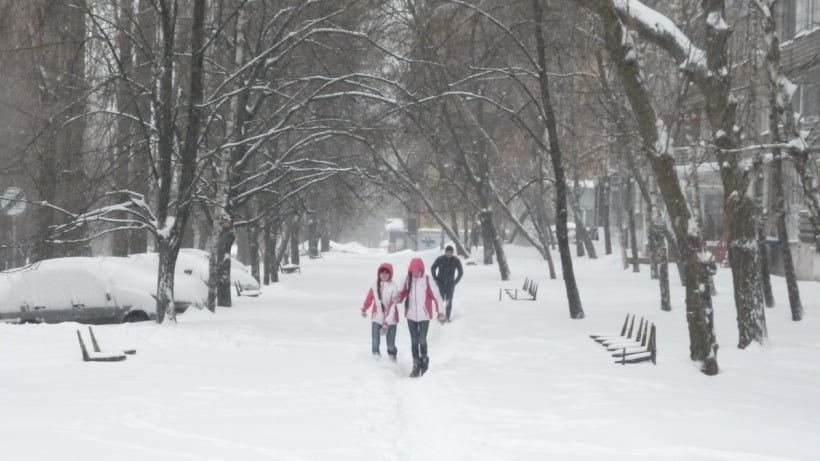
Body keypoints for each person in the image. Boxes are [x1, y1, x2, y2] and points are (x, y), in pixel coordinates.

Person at [398, 257, 444, 377]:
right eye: (413, 271)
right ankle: (415, 364)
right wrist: (397, 298)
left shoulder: (427, 280)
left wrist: (440, 312)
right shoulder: (408, 280)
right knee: (414, 340)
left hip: (424, 315)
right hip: (411, 315)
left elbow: (437, 296)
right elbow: (401, 293)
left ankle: (424, 361)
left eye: (417, 271)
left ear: (422, 270)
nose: (415, 274)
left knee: (422, 339)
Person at [360, 263, 401, 360]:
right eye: (382, 272)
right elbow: (369, 298)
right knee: (375, 341)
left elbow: (392, 307)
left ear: (390, 274)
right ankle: (376, 358)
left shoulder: (394, 286)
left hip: (391, 320)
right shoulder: (374, 285)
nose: (384, 274)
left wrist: (386, 324)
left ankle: (392, 355)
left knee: (390, 344)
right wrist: (364, 308)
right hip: (377, 317)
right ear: (379, 273)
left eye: (387, 272)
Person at [431, 245, 463, 322]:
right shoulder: (440, 259)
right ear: (445, 252)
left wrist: (455, 281)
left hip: (450, 284)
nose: (449, 254)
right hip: (440, 283)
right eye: (448, 252)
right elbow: (433, 268)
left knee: (449, 301)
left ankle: (447, 317)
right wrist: (435, 279)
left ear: (452, 253)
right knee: (440, 300)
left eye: (451, 253)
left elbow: (460, 272)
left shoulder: (456, 260)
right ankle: (440, 316)